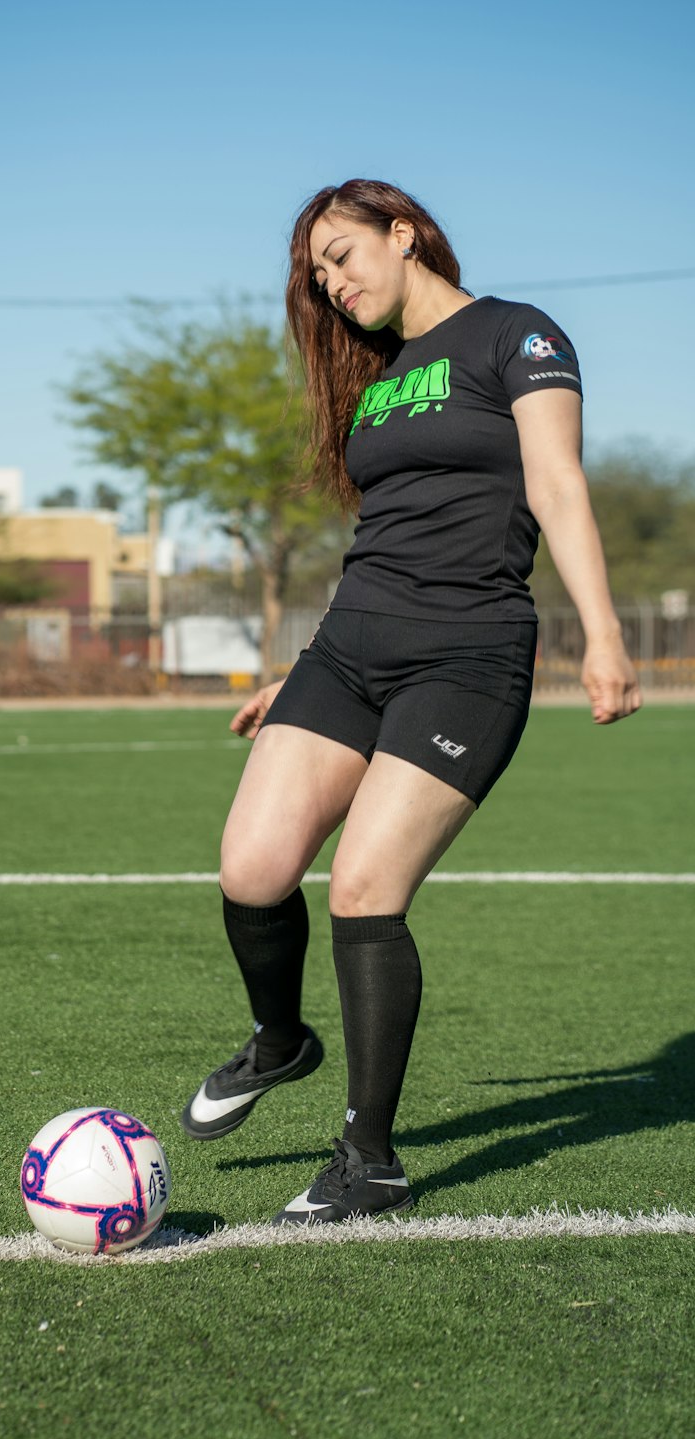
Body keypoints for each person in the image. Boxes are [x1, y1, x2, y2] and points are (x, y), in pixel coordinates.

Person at [180, 179, 642, 1224]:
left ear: (403, 233)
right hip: (347, 650)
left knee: (362, 890)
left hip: (465, 658)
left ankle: (370, 1159)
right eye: (317, 278)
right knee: (250, 869)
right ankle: (279, 1041)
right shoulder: (378, 379)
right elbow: (382, 539)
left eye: (342, 257)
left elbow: (557, 482)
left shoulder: (516, 338)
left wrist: (602, 634)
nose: (334, 287)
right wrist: (299, 666)